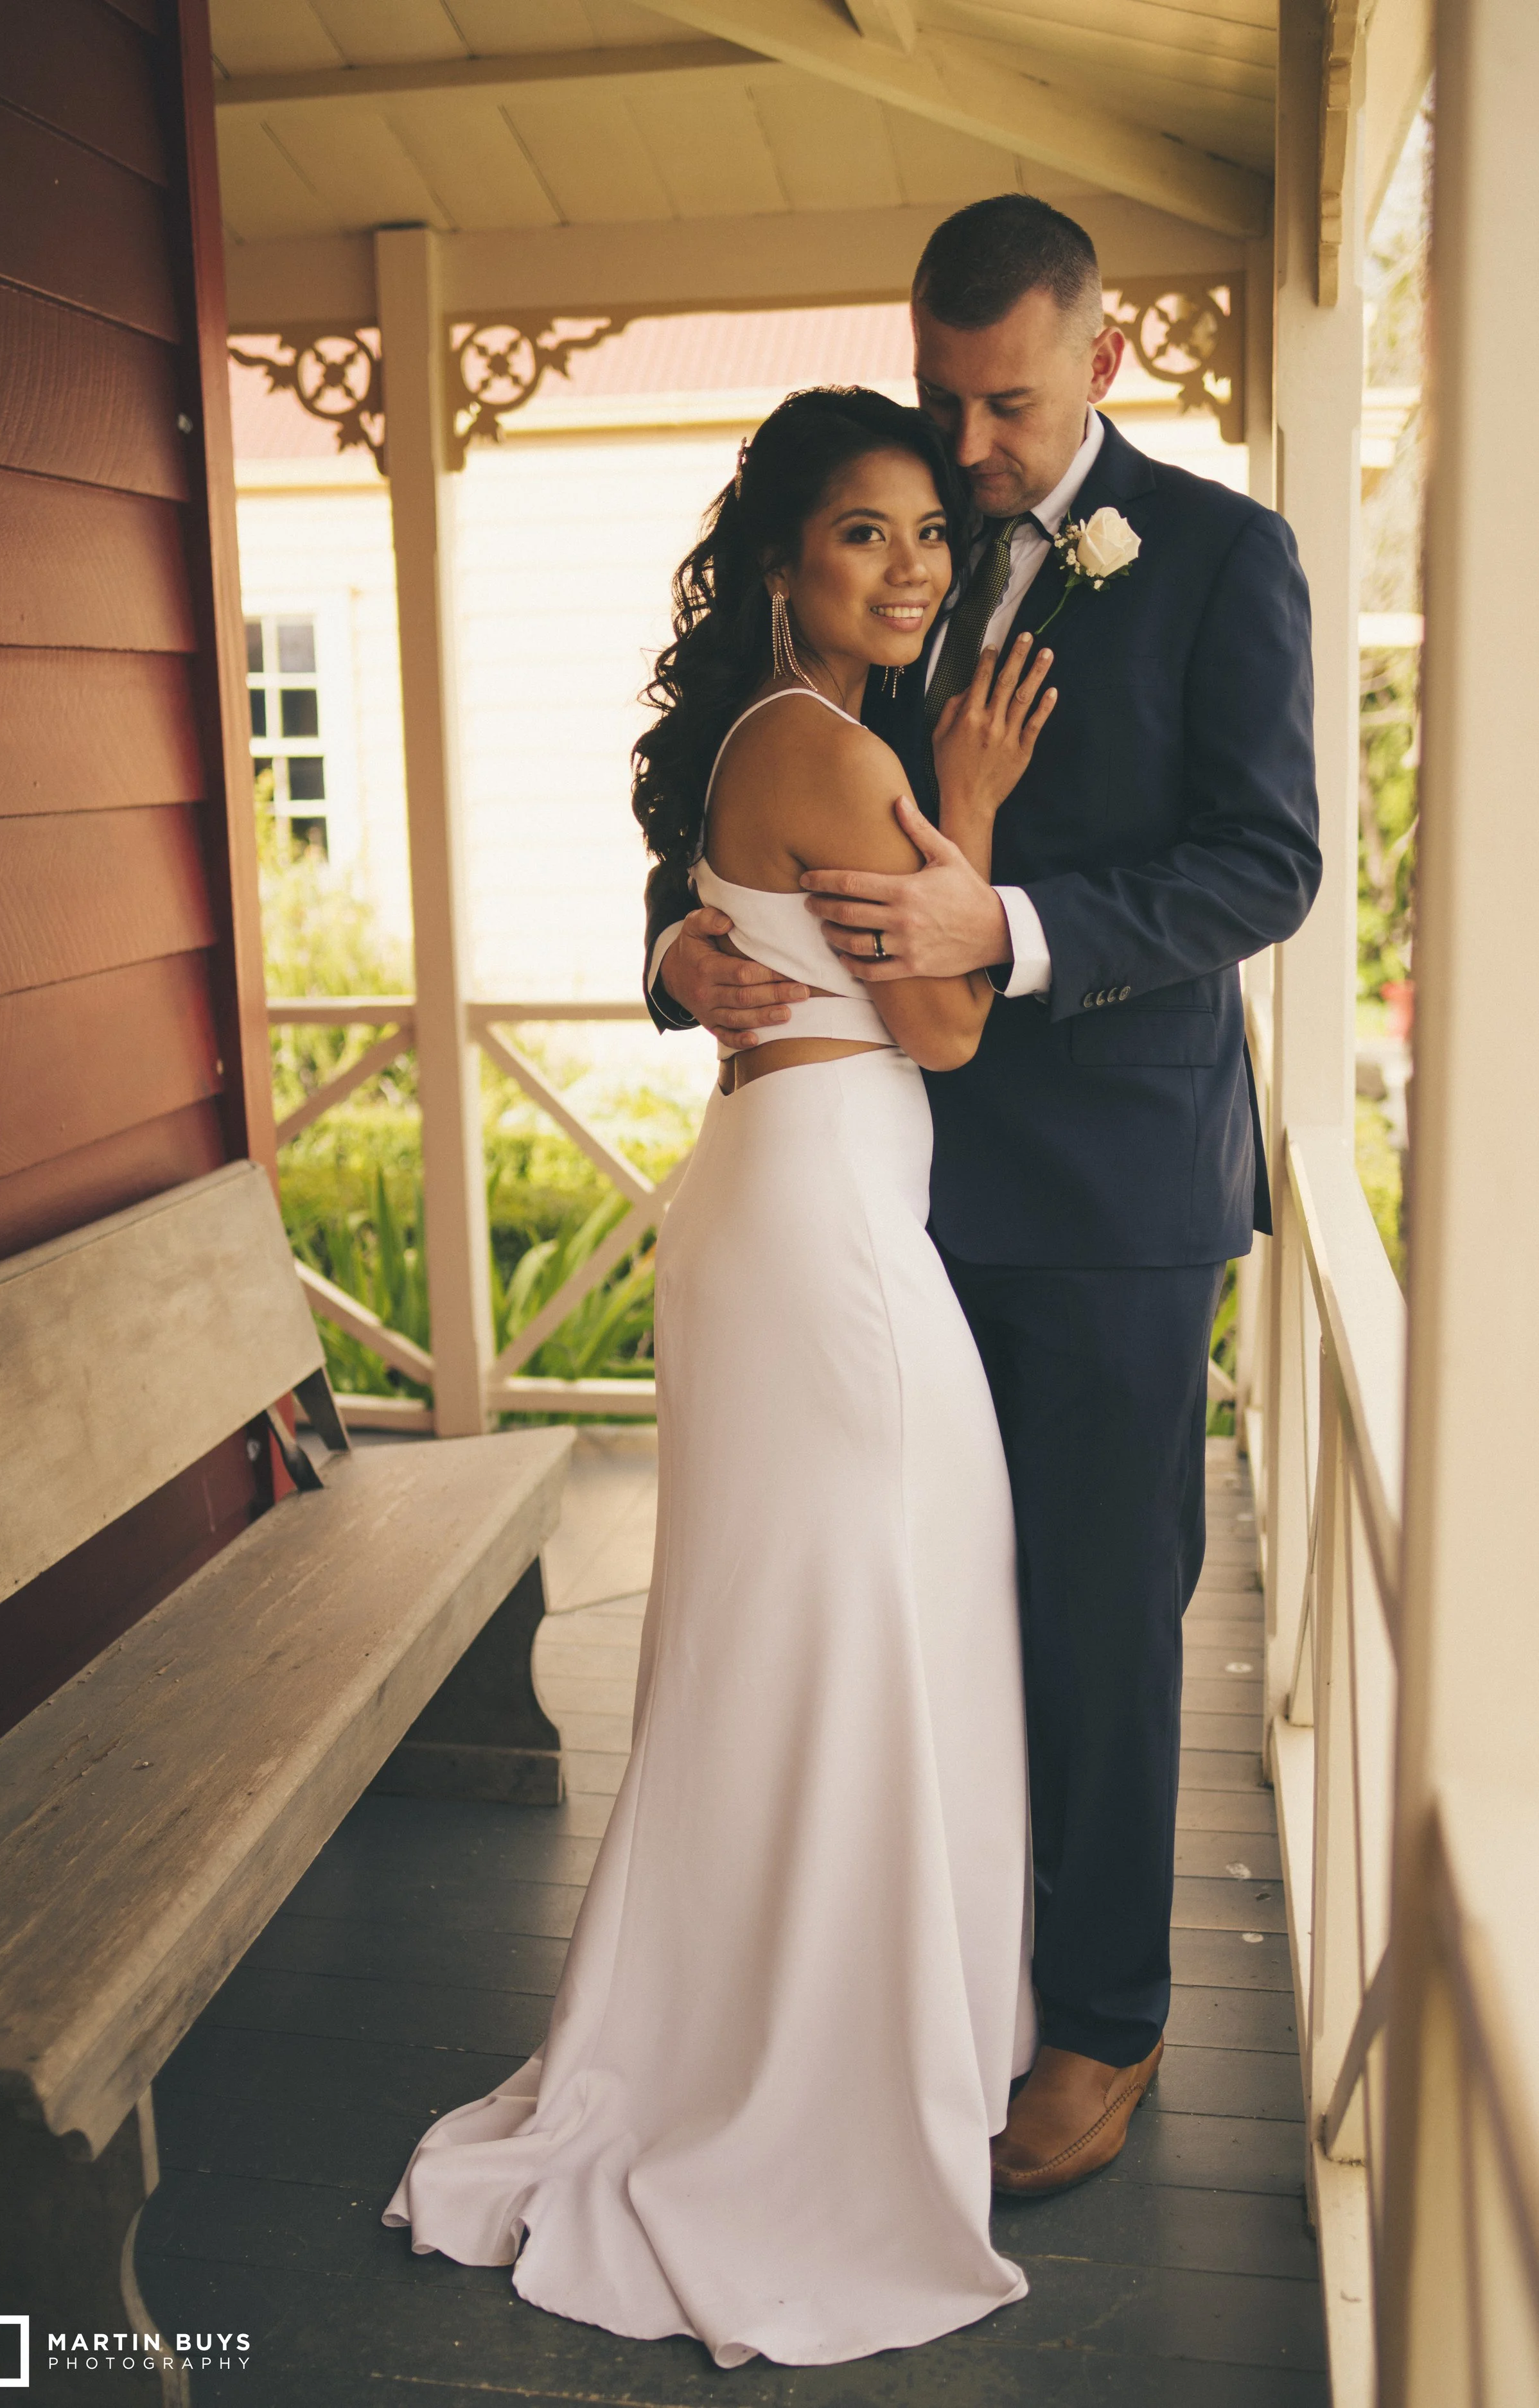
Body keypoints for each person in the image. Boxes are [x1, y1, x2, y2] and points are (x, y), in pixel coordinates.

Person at [647, 196, 1322, 2195]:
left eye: (1004, 404)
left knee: (1104, 1626)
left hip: (1113, 1195)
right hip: (887, 1199)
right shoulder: (891, 543)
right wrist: (672, 951)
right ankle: (938, 1983)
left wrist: (1006, 915)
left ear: (1097, 363)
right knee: (929, 1614)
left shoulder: (1219, 557)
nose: (964, 451)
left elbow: (1261, 865)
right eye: (943, 400)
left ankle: (1101, 2022)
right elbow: (748, 766)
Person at [385, 387, 1060, 2364]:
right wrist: (978, 802)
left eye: (927, 533)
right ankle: (815, 2080)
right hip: (826, 1225)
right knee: (860, 1621)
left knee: (841, 1619)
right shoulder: (833, 747)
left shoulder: (781, 745)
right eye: (865, 534)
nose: (912, 566)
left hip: (802, 1200)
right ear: (782, 565)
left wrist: (702, 940)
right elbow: (940, 1024)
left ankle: (827, 2025)